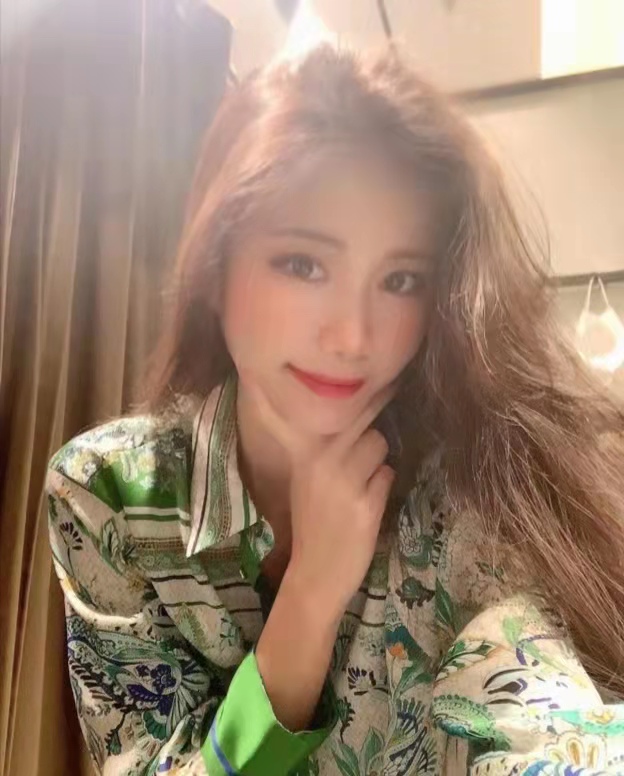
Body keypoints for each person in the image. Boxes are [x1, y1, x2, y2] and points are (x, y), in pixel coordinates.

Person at [47, 46, 624, 776]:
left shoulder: (466, 497)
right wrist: (309, 599)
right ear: (214, 268)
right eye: (303, 265)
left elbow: (546, 721)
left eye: (401, 279)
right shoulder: (111, 495)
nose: (353, 337)